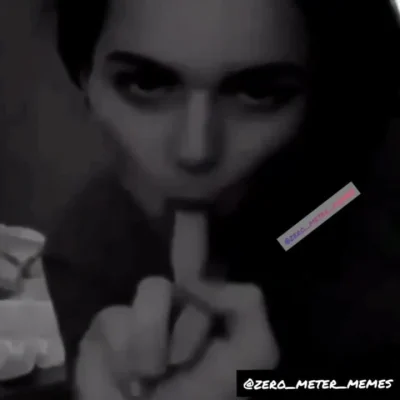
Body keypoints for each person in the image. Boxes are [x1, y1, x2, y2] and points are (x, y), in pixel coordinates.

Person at [42, 0, 400, 398]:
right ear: (85, 82)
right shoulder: (85, 253)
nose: (195, 151)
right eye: (146, 84)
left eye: (259, 93)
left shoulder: (366, 206)